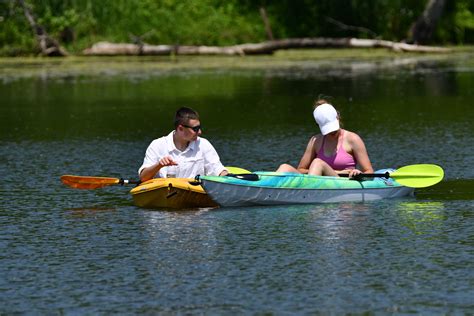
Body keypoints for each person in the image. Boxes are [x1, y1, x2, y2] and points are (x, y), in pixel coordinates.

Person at [276, 99, 373, 177]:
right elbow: (300, 170)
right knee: (284, 167)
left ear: (337, 117)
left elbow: (369, 171)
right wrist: (335, 172)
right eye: (328, 129)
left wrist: (358, 173)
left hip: (342, 183)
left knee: (318, 163)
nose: (332, 131)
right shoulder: (315, 141)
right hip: (318, 180)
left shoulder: (353, 139)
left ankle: (310, 194)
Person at [138, 107, 228, 182]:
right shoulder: (157, 145)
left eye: (199, 127)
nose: (200, 132)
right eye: (195, 129)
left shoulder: (203, 144)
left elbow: (218, 170)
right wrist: (159, 165)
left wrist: (227, 176)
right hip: (165, 195)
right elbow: (143, 178)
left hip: (195, 194)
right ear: (180, 128)